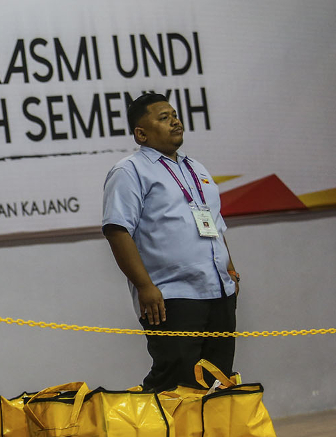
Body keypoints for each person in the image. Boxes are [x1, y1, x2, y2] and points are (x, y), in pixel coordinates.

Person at [101, 93, 239, 392]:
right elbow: (117, 231)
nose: (175, 121)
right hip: (171, 296)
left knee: (217, 381)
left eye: (174, 115)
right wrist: (145, 287)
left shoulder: (196, 168)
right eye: (163, 117)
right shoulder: (130, 171)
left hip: (218, 291)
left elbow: (214, 224)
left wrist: (230, 269)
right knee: (175, 383)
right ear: (141, 133)